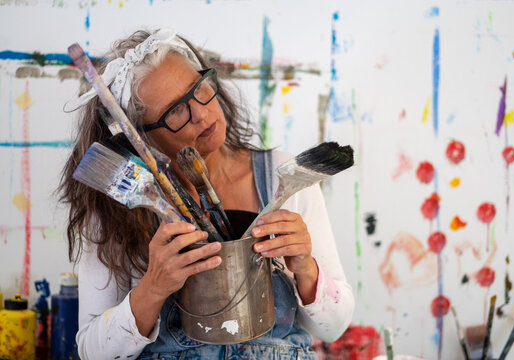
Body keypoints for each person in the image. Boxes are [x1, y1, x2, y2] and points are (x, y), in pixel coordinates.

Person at [59, 27, 354, 359]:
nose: (201, 113)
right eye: (174, 111)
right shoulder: (116, 204)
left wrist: (305, 268)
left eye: (199, 89)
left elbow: (333, 328)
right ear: (143, 139)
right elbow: (91, 352)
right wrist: (153, 288)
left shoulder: (282, 177)